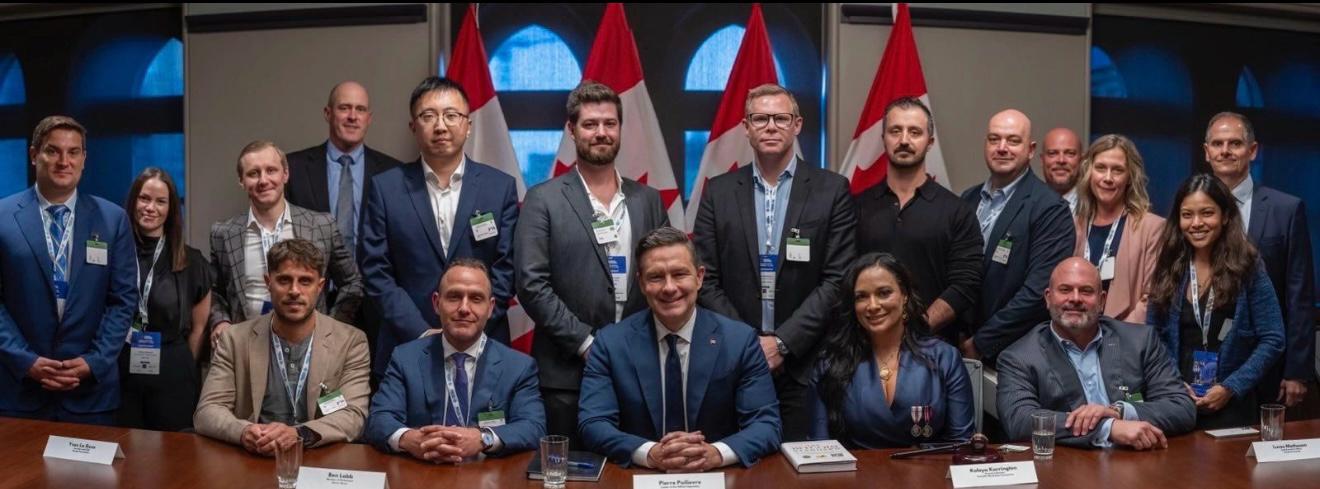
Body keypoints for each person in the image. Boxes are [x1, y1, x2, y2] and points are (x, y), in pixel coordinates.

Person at [693, 83, 856, 442]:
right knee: (737, 467)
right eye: (760, 118)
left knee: (800, 473)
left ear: (797, 125)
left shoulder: (832, 190)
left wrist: (782, 343)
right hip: (733, 362)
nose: (770, 126)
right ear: (746, 127)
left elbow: (837, 278)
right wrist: (750, 345)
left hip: (805, 365)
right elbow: (705, 278)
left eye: (780, 118)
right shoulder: (717, 192)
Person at [515, 81, 669, 445]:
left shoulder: (648, 199)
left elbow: (666, 277)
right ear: (571, 130)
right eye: (590, 124)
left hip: (639, 366)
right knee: (567, 476)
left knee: (635, 471)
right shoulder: (543, 199)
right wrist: (587, 344)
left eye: (610, 124)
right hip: (566, 373)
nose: (601, 133)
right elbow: (531, 284)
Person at [579, 227, 780, 470]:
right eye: (656, 277)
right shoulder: (611, 343)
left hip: (717, 477)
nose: (669, 287)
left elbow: (766, 425)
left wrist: (715, 453)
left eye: (679, 274)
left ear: (700, 277)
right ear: (641, 283)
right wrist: (650, 453)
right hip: (639, 476)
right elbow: (593, 423)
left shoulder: (739, 341)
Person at [360, 76, 518, 376]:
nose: (441, 126)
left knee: (482, 425)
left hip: (483, 344)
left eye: (451, 115)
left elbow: (507, 268)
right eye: (428, 116)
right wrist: (420, 332)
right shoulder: (386, 188)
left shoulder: (499, 188)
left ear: (468, 125)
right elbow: (374, 270)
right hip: (406, 344)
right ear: (413, 127)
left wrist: (469, 324)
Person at [0, 115, 137, 425]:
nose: (64, 161)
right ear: (34, 155)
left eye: (73, 152)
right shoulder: (3, 218)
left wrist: (95, 361)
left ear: (84, 159)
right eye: (53, 151)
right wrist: (26, 361)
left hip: (90, 394)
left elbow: (123, 300)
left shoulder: (112, 219)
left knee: (89, 477)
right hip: (18, 391)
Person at [195, 239, 371, 454]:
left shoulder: (351, 342)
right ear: (268, 282)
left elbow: (354, 415)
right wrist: (245, 432)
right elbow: (207, 411)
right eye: (284, 280)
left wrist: (299, 434)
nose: (294, 291)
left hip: (319, 457)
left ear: (320, 286)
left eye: (305, 281)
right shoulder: (235, 339)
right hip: (255, 454)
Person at [998, 258, 1194, 449]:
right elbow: (1020, 420)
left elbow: (1181, 407)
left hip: (1137, 465)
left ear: (1102, 301)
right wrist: (1108, 428)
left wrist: (1119, 411)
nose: (1075, 298)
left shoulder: (1141, 341)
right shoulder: (1019, 357)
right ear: (1048, 298)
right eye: (1065, 290)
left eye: (1086, 291)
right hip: (1068, 471)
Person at [364, 259, 544, 461]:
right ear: (436, 303)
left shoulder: (518, 366)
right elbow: (378, 420)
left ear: (490, 307)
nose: (464, 308)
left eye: (476, 298)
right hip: (421, 475)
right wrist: (410, 439)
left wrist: (483, 438)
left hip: (487, 478)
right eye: (454, 297)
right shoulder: (405, 358)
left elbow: (533, 427)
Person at [1146, 174, 1285, 429]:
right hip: (1177, 400)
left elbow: (1273, 338)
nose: (1196, 223)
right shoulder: (1169, 266)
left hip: (1233, 404)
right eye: (1187, 215)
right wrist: (1174, 382)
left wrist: (1231, 387)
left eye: (1207, 213)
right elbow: (1153, 335)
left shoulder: (1248, 266)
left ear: (1225, 216)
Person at [1203, 111, 1314, 408]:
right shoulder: (1191, 210)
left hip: (1269, 361)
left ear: (1252, 151)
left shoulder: (1286, 209)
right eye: (1217, 144)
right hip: (1208, 358)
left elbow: (1300, 296)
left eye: (1235, 143)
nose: (1225, 151)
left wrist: (1297, 371)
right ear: (1207, 152)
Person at [807, 253, 974, 448]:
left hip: (929, 475)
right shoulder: (830, 363)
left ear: (905, 296)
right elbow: (819, 450)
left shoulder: (945, 358)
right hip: (854, 476)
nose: (873, 305)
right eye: (861, 297)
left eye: (884, 293)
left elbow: (961, 444)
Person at [208, 141, 363, 347]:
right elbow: (214, 291)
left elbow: (353, 283)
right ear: (241, 181)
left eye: (271, 170)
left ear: (285, 174)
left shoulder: (321, 225)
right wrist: (221, 321)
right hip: (246, 347)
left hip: (309, 345)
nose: (263, 180)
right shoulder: (224, 233)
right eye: (253, 173)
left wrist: (331, 325)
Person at [854, 96, 982, 346]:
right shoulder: (855, 206)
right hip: (864, 348)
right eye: (895, 131)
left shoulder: (957, 211)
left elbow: (966, 284)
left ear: (930, 142)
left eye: (914, 132)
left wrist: (917, 328)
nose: (904, 140)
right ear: (883, 139)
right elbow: (842, 277)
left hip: (932, 349)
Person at [959, 109, 1075, 363]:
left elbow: (1038, 292)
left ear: (1031, 150)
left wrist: (981, 342)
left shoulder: (1050, 208)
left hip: (1015, 354)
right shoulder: (967, 199)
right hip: (959, 344)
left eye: (1013, 140)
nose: (1002, 148)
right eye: (994, 139)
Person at [117, 168, 213, 431]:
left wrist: (180, 363)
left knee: (173, 455)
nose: (151, 208)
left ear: (171, 209)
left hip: (173, 370)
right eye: (144, 198)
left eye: (161, 201)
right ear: (133, 201)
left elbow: (199, 327)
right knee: (123, 450)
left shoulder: (192, 261)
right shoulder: (114, 254)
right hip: (119, 365)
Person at [285, 81, 403, 255]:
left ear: (368, 119)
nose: (353, 116)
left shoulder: (393, 173)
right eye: (344, 108)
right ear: (328, 113)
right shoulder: (293, 168)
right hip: (311, 278)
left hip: (372, 280)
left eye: (360, 109)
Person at [1071, 135, 1165, 323]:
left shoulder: (1152, 228)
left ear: (1130, 177)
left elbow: (1152, 298)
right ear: (1089, 172)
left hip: (1126, 338)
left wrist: (1114, 340)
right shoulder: (1072, 227)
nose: (1108, 178)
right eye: (1100, 168)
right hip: (1076, 333)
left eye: (1117, 170)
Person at [1041, 127, 1084, 212]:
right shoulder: (1028, 204)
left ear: (1081, 160)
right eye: (1053, 153)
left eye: (1070, 153)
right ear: (1042, 160)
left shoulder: (1095, 206)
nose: (1061, 160)